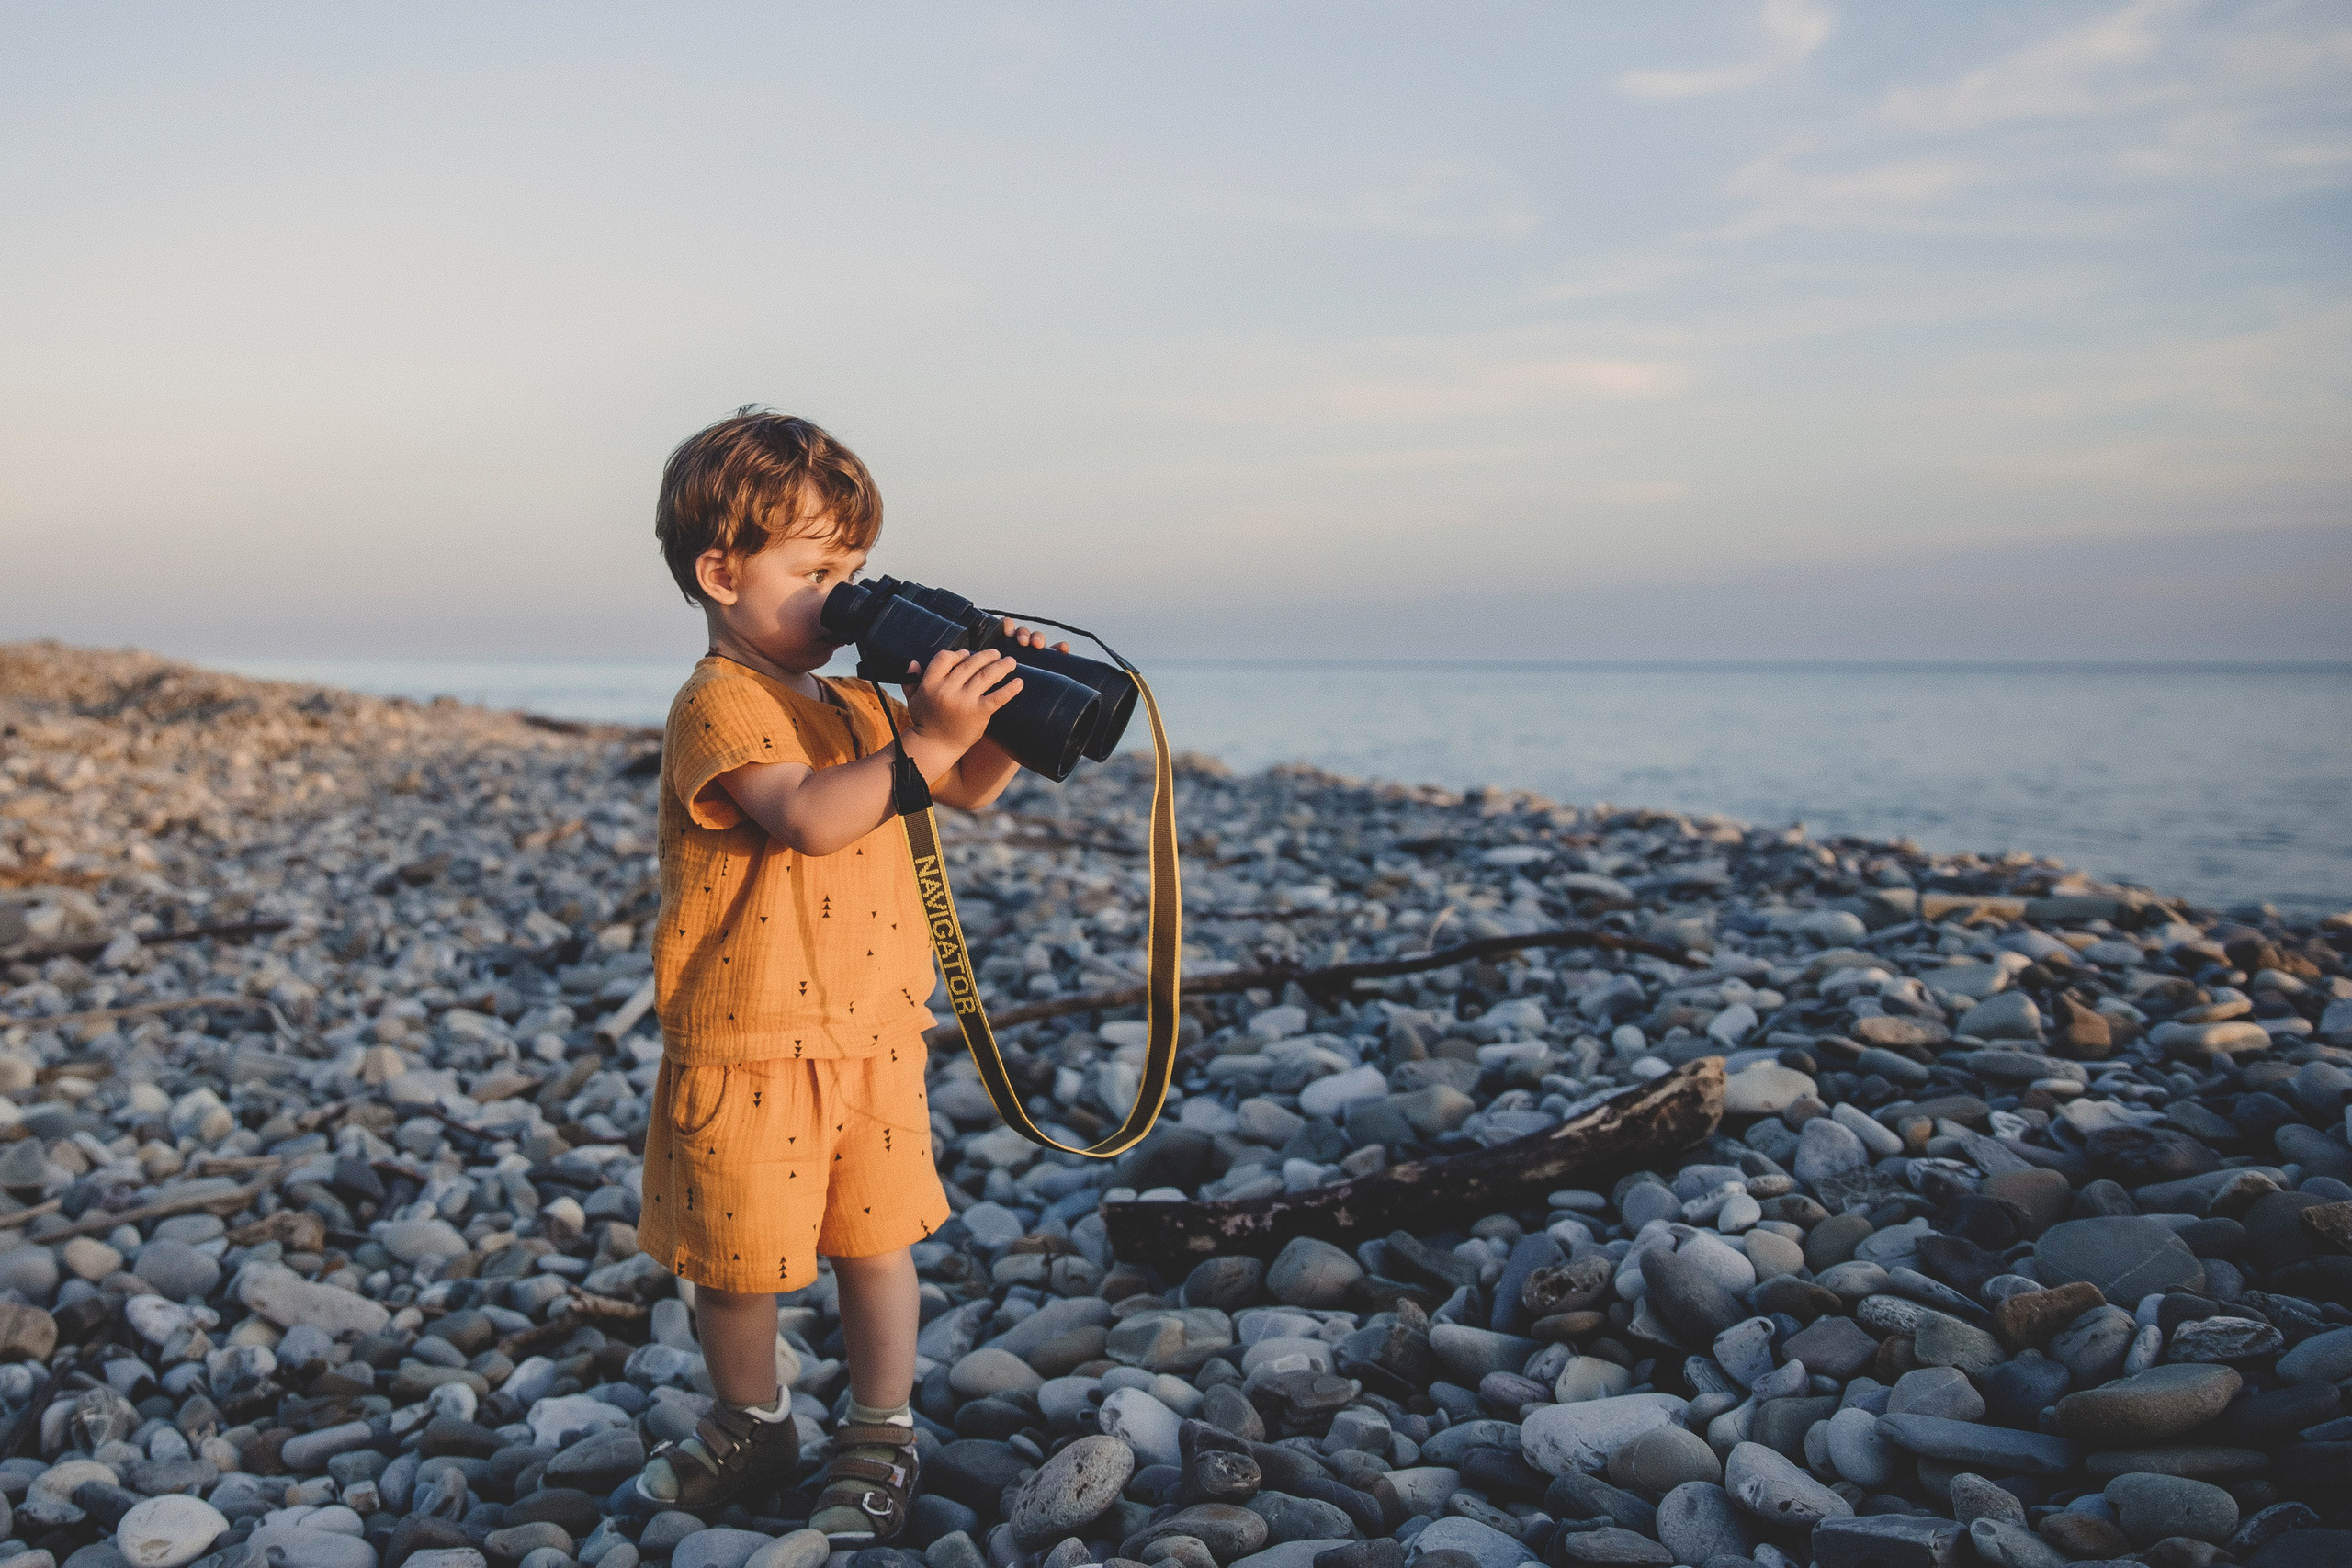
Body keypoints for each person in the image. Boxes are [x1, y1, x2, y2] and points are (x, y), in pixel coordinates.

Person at [632, 408, 1059, 1535]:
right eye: (816, 569)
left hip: (871, 1035)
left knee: (876, 1246)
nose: (843, 595)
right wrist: (920, 744)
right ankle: (754, 1419)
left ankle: (879, 1428)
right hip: (749, 1043)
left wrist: (999, 711)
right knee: (735, 1266)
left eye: (856, 569)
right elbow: (812, 818)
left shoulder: (862, 695)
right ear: (722, 572)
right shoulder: (720, 703)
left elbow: (965, 788)